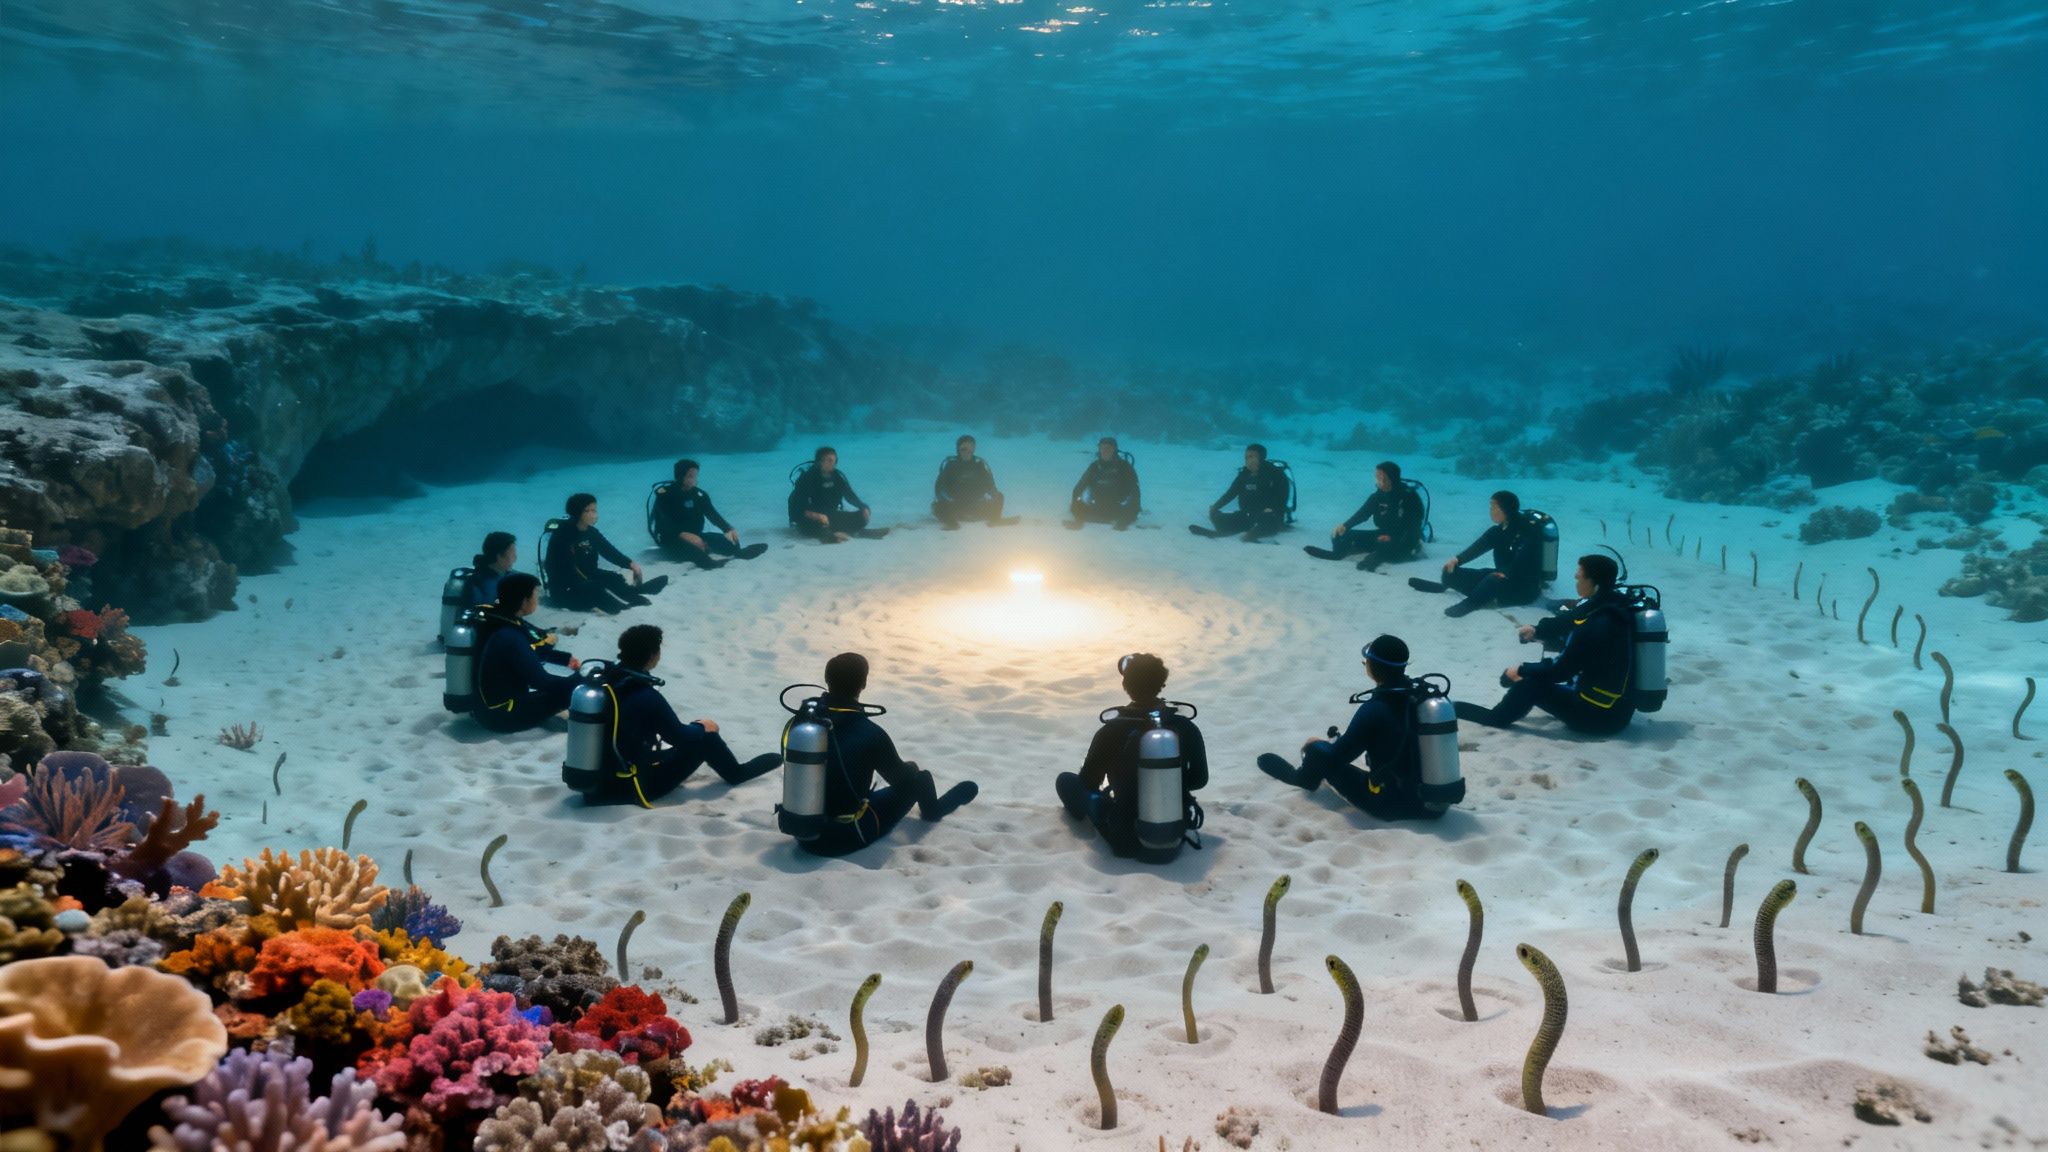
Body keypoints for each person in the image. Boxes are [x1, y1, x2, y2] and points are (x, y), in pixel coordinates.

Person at [782, 653, 977, 857]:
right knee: (920, 778)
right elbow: (903, 781)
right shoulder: (871, 733)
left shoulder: (802, 723)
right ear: (864, 683)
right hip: (848, 837)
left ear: (827, 680)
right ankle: (933, 811)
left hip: (803, 833)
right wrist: (911, 770)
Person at [572, 624, 782, 807]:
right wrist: (702, 726)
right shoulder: (646, 695)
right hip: (632, 787)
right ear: (653, 655)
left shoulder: (606, 682)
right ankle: (737, 774)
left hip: (595, 787)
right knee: (706, 738)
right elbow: (680, 737)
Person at [1257, 634, 1461, 820]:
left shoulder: (1375, 709)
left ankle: (1301, 779)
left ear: (1371, 666)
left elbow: (1337, 757)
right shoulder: (1422, 699)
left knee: (1317, 751)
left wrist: (1316, 744)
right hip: (1435, 805)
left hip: (1394, 805)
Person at [1455, 554, 1636, 736]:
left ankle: (1489, 716)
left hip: (1598, 718)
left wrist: (1520, 670)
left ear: (1594, 583)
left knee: (1529, 685)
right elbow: (1570, 620)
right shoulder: (1613, 605)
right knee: (1537, 675)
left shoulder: (1596, 625)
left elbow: (1559, 671)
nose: (1575, 576)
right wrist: (1537, 631)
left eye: (1580, 574)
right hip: (1619, 711)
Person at [1055, 653, 1209, 859]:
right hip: (1174, 834)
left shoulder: (1111, 730)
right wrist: (1168, 786)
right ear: (1162, 684)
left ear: (1126, 685)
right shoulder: (1185, 726)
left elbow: (1089, 782)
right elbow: (1200, 780)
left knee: (1066, 781)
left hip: (1125, 838)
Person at [473, 573, 580, 733]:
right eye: (535, 594)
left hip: (488, 709)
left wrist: (565, 659)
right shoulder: (510, 634)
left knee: (561, 690)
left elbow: (532, 649)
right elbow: (541, 681)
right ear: (524, 601)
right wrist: (579, 683)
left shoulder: (500, 619)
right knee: (568, 693)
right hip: (500, 716)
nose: (537, 599)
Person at [1408, 490, 1541, 617]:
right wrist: (1457, 560)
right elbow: (1477, 548)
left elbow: (1522, 563)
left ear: (1504, 510)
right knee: (1450, 571)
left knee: (1491, 579)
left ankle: (1471, 603)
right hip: (1501, 577)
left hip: (1523, 589)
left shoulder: (1526, 532)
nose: (1491, 511)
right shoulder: (1497, 531)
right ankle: (1446, 584)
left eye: (1493, 507)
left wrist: (1502, 574)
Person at [545, 494, 668, 613]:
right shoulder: (563, 536)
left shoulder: (591, 532)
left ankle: (633, 592)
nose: (595, 515)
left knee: (614, 578)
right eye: (591, 511)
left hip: (587, 576)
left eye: (595, 510)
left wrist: (630, 564)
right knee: (600, 591)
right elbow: (562, 569)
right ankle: (623, 599)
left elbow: (608, 551)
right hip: (565, 587)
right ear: (580, 512)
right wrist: (593, 585)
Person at [1306, 461, 1423, 570]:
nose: (1377, 479)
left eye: (1380, 477)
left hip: (1403, 540)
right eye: (1376, 476)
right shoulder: (1378, 496)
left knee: (1386, 548)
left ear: (1390, 478)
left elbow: (1414, 527)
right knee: (1341, 534)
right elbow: (1362, 514)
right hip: (1382, 535)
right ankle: (1336, 555)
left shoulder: (1409, 497)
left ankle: (1380, 555)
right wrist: (1345, 526)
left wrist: (1393, 539)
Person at [651, 459, 768, 568]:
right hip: (671, 539)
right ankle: (706, 561)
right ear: (680, 477)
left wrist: (727, 529)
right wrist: (684, 535)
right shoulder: (665, 495)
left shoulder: (699, 495)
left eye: (696, 476)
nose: (695, 480)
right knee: (696, 552)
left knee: (731, 544)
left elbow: (712, 514)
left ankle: (729, 551)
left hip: (697, 535)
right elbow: (663, 524)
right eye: (691, 476)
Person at [1189, 444, 1292, 540]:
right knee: (1218, 518)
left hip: (1270, 516)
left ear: (1261, 457)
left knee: (1264, 523)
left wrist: (1272, 508)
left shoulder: (1276, 474)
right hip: (1248, 515)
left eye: (1252, 457)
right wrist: (1215, 507)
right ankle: (1241, 531)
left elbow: (1283, 496)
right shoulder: (1244, 474)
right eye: (1246, 457)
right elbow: (1230, 493)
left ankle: (1253, 534)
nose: (1248, 460)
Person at [788, 447, 885, 543]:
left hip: (830, 516)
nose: (833, 464)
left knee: (861, 516)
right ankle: (827, 534)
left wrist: (863, 507)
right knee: (818, 523)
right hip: (808, 519)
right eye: (829, 460)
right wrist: (817, 516)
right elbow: (797, 509)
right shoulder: (807, 478)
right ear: (820, 461)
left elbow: (849, 495)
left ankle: (841, 532)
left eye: (835, 461)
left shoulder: (837, 477)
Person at [932, 435, 1010, 528]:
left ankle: (995, 520)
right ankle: (951, 522)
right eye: (963, 449)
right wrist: (947, 499)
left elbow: (989, 484)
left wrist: (994, 495)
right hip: (955, 505)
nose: (967, 452)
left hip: (976, 505)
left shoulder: (979, 464)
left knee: (1000, 496)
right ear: (958, 449)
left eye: (970, 448)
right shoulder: (951, 464)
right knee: (937, 507)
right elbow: (940, 488)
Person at [1068, 437, 1141, 530]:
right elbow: (1078, 489)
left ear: (1114, 450)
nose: (1105, 451)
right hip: (1097, 507)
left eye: (1108, 448)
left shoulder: (1125, 467)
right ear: (1099, 449)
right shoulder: (1094, 467)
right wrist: (1077, 515)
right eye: (1102, 448)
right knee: (1075, 506)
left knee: (1133, 509)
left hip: (1118, 509)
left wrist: (1126, 520)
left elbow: (1135, 494)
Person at [463, 531, 519, 608]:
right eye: (512, 553)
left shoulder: (512, 576)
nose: (515, 558)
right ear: (499, 556)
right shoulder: (480, 585)